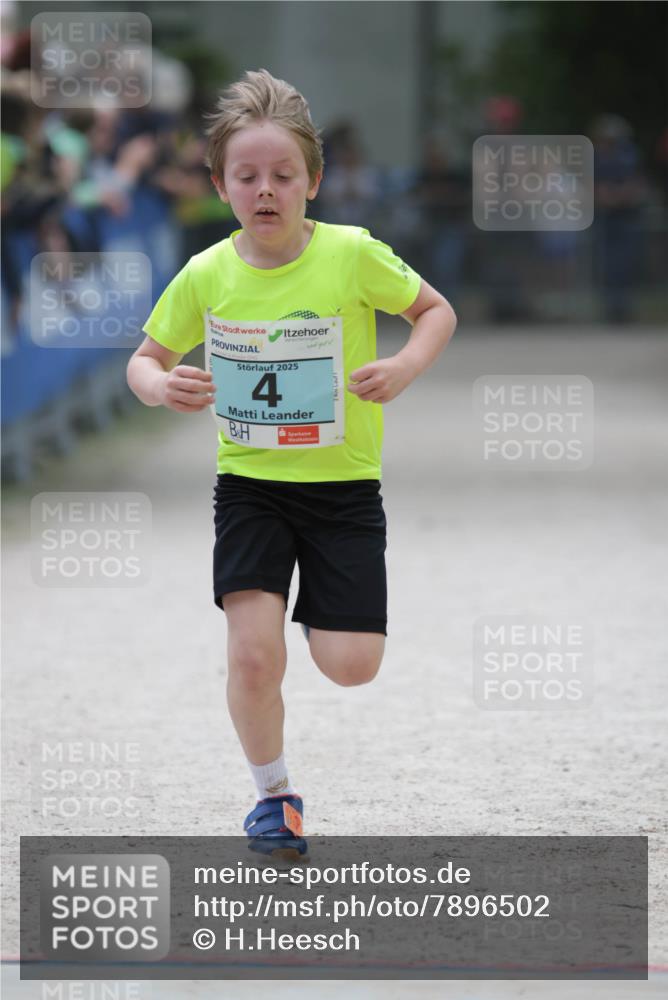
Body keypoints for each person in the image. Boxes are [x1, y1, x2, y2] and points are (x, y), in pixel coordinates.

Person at [126, 69, 457, 862]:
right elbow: (143, 360)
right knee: (251, 652)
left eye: (283, 176)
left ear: (314, 180)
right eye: (247, 177)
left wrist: (405, 367)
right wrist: (160, 386)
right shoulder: (207, 272)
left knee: (351, 666)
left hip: (342, 492)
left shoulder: (350, 256)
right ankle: (273, 797)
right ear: (219, 185)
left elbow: (434, 312)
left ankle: (314, 606)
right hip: (251, 490)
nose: (265, 191)